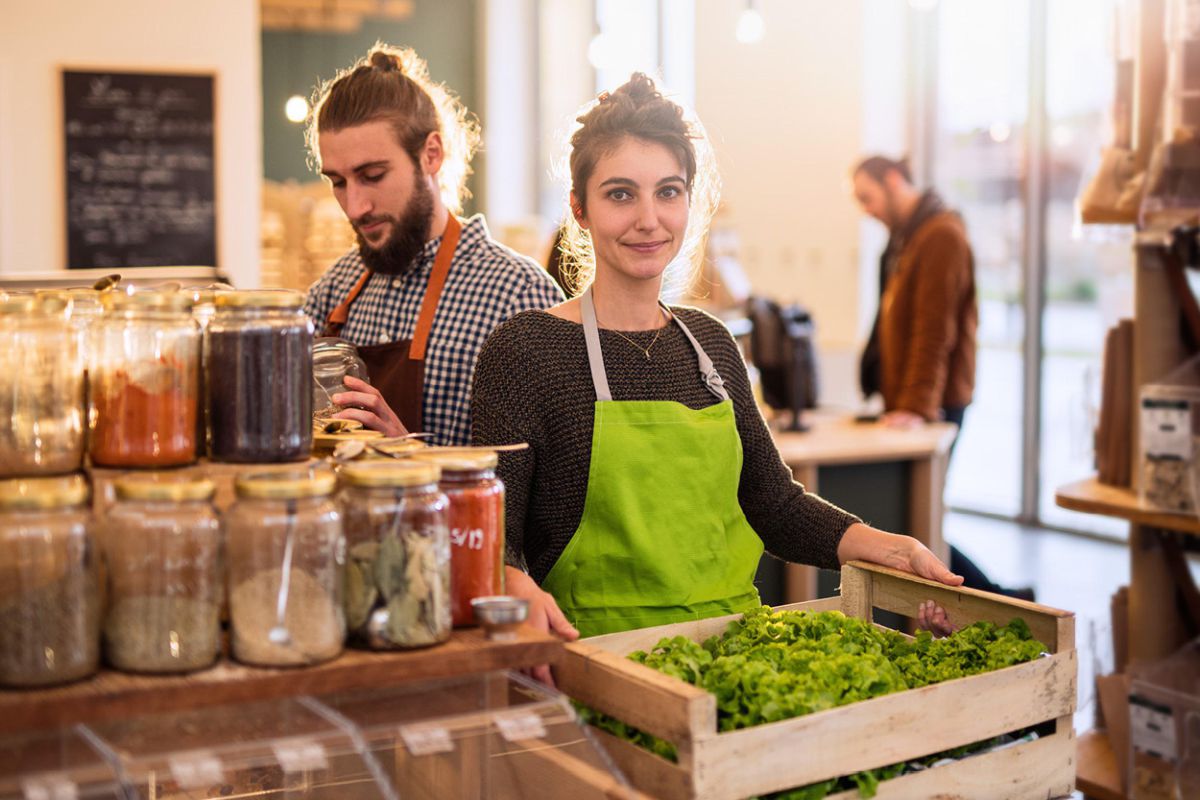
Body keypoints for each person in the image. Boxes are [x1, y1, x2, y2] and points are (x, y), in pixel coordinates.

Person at [471, 75, 962, 673]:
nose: (649, 219)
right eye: (621, 194)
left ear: (689, 201)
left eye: (668, 192)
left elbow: (772, 503)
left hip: (733, 659)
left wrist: (890, 548)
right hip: (594, 666)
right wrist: (512, 584)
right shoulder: (525, 350)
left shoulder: (710, 345)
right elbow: (489, 536)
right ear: (579, 207)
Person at [302, 45, 563, 446]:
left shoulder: (519, 297)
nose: (355, 206)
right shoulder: (333, 293)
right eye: (338, 182)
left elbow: (545, 485)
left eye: (372, 175)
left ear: (431, 155)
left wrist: (409, 455)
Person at [852, 155, 1033, 601]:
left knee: (921, 516)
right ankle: (1002, 596)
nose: (866, 209)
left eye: (867, 197)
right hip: (917, 401)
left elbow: (935, 332)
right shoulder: (910, 238)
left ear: (894, 181)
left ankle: (998, 600)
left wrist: (915, 407)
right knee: (919, 516)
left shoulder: (940, 237)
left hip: (934, 404)